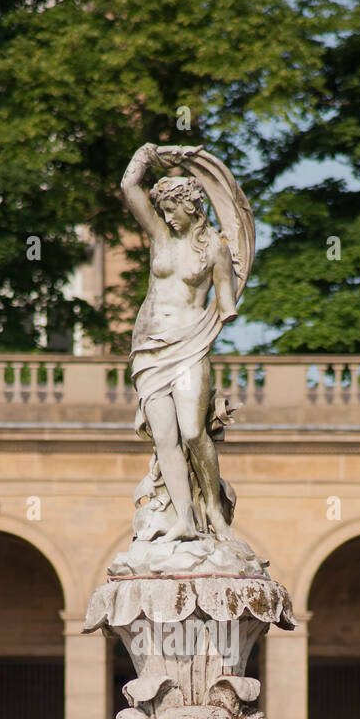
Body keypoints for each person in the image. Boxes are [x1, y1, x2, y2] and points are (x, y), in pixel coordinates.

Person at [121, 142, 238, 542]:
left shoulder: (217, 251)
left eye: (171, 208)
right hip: (150, 350)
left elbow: (225, 309)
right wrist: (150, 154)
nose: (165, 216)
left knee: (192, 432)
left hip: (190, 347)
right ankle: (184, 520)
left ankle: (213, 513)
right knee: (165, 438)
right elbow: (129, 186)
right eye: (163, 209)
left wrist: (200, 346)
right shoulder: (159, 236)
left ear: (191, 206)